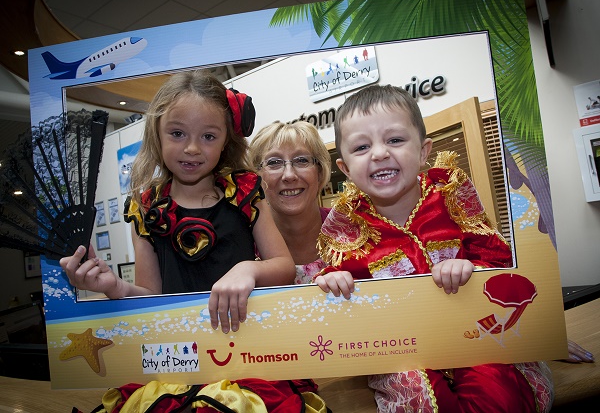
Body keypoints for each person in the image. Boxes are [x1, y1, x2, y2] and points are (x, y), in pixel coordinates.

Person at [313, 84, 554, 412]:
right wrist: (331, 282)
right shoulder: (347, 227)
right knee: (421, 396)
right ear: (345, 169)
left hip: (477, 335)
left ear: (424, 151)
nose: (380, 153)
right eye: (361, 147)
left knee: (498, 390)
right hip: (401, 351)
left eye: (395, 140)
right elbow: (338, 285)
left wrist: (473, 269)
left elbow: (499, 259)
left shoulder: (452, 196)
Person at [60, 70, 295, 334]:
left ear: (225, 141)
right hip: (181, 352)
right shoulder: (146, 207)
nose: (192, 148)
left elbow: (285, 268)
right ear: (156, 133)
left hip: (249, 344)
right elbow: (150, 294)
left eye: (208, 136)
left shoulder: (244, 192)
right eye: (177, 133)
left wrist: (249, 270)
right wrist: (114, 286)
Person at [248, 121, 332, 284]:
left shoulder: (353, 228)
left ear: (320, 172)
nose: (289, 175)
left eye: (301, 160)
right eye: (273, 162)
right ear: (256, 177)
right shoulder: (241, 242)